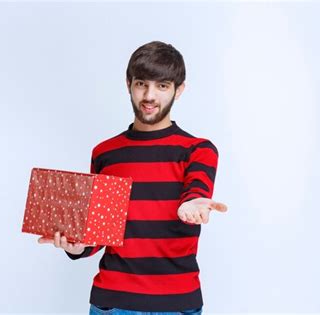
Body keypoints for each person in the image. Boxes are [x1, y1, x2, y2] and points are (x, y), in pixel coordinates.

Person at [38, 41, 228, 315]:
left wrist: (193, 204)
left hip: (177, 304)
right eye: (142, 84)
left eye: (162, 86)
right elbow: (99, 235)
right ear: (129, 84)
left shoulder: (197, 150)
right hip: (113, 304)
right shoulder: (105, 153)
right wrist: (78, 247)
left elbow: (197, 190)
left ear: (179, 90)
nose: (149, 96)